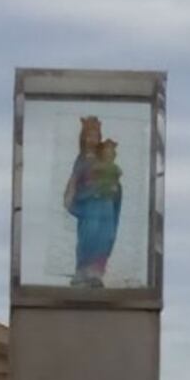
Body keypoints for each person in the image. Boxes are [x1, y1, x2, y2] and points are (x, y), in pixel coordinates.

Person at [63, 117, 123, 287]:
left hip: (105, 205)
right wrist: (71, 194)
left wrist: (113, 188)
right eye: (89, 136)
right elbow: (75, 180)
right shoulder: (82, 159)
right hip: (90, 205)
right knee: (89, 236)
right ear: (83, 138)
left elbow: (114, 180)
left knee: (106, 236)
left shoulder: (103, 159)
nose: (93, 140)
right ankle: (83, 271)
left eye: (96, 136)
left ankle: (96, 271)